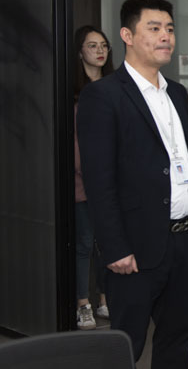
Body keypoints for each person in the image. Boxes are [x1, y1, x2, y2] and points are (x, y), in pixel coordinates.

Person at [77, 0, 188, 368]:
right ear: (127, 35)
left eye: (169, 28)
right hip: (134, 248)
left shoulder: (177, 94)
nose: (165, 36)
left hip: (184, 241)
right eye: (154, 28)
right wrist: (114, 247)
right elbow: (99, 180)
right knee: (126, 346)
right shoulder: (103, 96)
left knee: (179, 340)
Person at [73, 25, 114, 329]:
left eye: (103, 45)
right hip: (83, 180)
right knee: (85, 243)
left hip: (113, 181)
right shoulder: (74, 92)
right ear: (79, 52)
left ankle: (104, 299)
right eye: (92, 45)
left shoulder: (116, 87)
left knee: (108, 242)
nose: (100, 51)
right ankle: (82, 304)